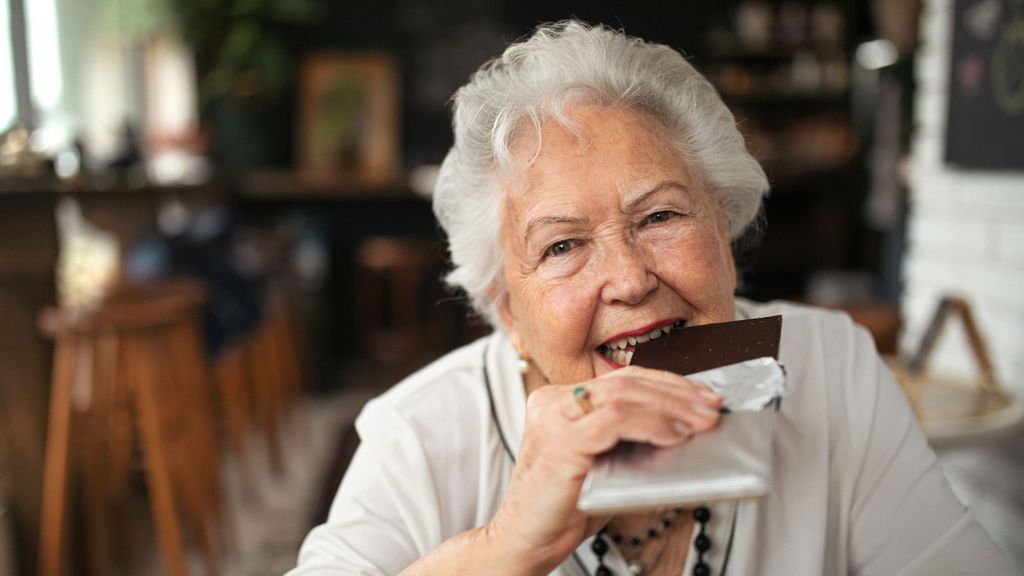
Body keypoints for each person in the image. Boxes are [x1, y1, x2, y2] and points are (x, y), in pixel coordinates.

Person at [288, 21, 1015, 575]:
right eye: (563, 246)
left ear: (725, 239)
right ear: (508, 313)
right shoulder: (422, 436)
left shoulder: (833, 369)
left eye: (661, 217)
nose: (631, 279)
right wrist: (505, 547)